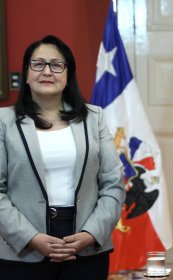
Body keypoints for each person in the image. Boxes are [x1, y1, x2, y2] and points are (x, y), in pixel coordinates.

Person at [0, 35, 125, 280]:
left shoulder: (93, 118)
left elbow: (113, 184)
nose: (47, 71)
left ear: (68, 75)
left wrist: (91, 233)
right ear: (26, 73)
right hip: (21, 249)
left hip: (85, 245)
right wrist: (31, 238)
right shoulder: (4, 122)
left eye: (56, 65)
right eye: (38, 64)